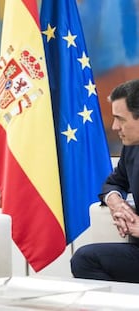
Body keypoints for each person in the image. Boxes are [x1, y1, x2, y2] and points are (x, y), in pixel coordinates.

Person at [71, 79, 139, 283]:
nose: (114, 126)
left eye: (120, 119)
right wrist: (116, 202)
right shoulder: (132, 147)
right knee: (84, 259)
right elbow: (113, 182)